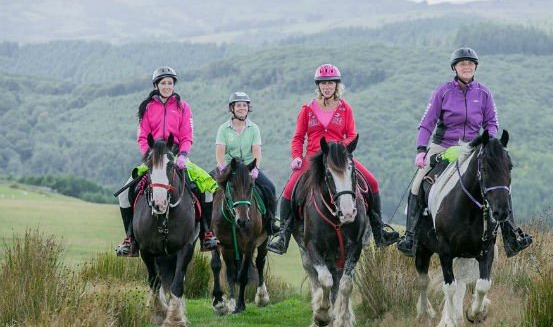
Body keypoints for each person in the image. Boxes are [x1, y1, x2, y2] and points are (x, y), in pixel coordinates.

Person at [396, 47, 532, 258]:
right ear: (455, 68)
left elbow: (492, 123)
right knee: (417, 184)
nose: (467, 66)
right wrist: (421, 150)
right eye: (462, 64)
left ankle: (511, 236)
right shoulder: (443, 92)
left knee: (500, 182)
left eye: (470, 63)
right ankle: (411, 237)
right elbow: (426, 124)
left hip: (473, 147)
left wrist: (486, 140)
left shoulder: (484, 93)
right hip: (444, 145)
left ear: (475, 67)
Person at [267, 64, 400, 255]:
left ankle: (380, 232)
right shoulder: (307, 109)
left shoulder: (345, 109)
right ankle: (283, 236)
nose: (327, 87)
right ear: (318, 86)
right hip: (312, 158)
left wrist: (339, 150)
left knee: (372, 182)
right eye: (323, 84)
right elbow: (298, 138)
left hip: (340, 157)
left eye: (330, 83)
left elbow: (352, 134)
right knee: (289, 191)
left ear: (336, 86)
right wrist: (296, 156)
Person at [115, 66, 218, 256]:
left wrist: (183, 156)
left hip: (176, 156)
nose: (167, 86)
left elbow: (187, 135)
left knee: (205, 187)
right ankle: (130, 239)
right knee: (125, 193)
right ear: (156, 85)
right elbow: (142, 137)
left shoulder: (183, 107)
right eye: (163, 83)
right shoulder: (147, 107)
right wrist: (149, 157)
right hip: (153, 157)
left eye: (170, 83)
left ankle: (206, 234)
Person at [214, 91, 279, 235]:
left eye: (244, 105)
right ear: (232, 108)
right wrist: (222, 167)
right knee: (207, 190)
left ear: (248, 108)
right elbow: (220, 151)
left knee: (270, 188)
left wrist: (255, 168)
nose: (242, 108)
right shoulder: (223, 129)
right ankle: (207, 229)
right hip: (229, 168)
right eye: (238, 105)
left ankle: (270, 222)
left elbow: (256, 150)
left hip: (248, 168)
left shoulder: (254, 128)